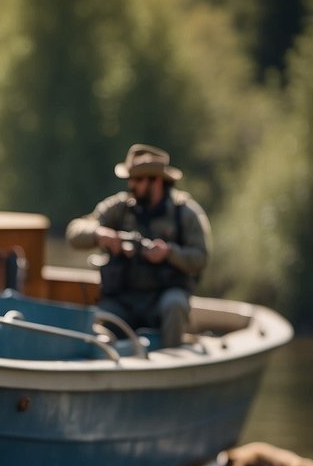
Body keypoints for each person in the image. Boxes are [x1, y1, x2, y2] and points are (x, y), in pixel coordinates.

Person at [66, 143, 210, 348]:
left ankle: (170, 366)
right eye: (130, 179)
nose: (132, 185)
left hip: (163, 298)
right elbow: (74, 232)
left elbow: (200, 258)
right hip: (123, 300)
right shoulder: (120, 208)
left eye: (138, 180)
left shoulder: (185, 214)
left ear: (158, 181)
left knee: (175, 304)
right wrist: (100, 234)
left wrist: (169, 253)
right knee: (96, 321)